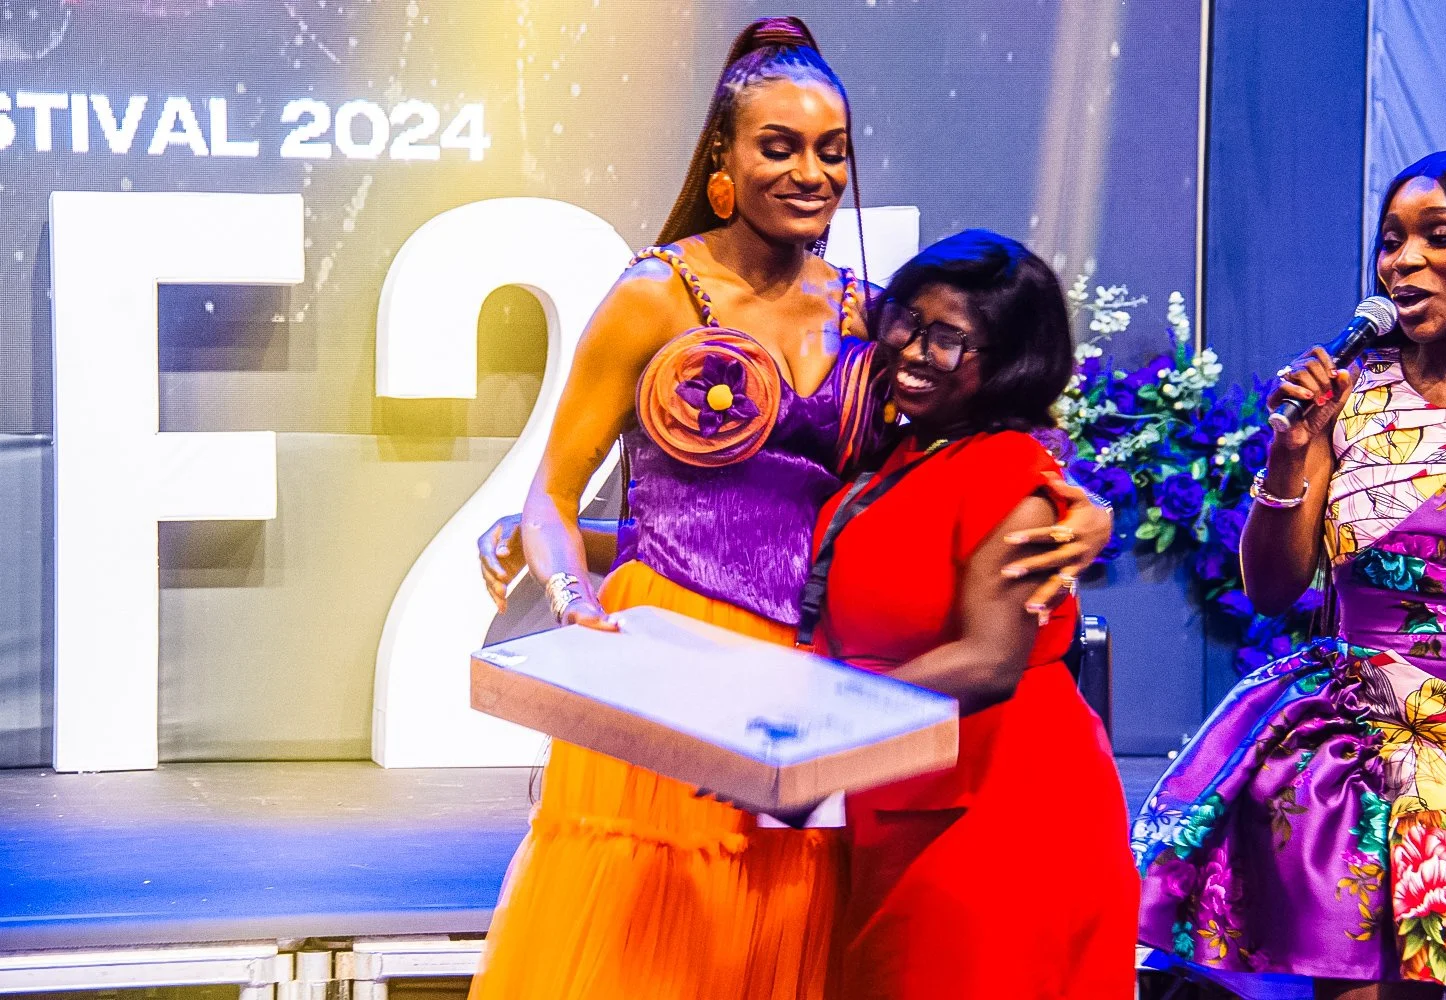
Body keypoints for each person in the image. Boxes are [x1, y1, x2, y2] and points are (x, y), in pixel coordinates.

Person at [468, 19, 1114, 1000]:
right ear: (723, 161)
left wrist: (1080, 504)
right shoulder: (657, 294)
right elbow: (552, 493)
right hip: (668, 655)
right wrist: (571, 595)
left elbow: (971, 446)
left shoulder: (869, 312)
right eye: (779, 147)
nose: (810, 173)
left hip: (806, 678)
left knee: (775, 937)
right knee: (648, 941)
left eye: (831, 150)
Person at [1132, 147, 1446, 1000]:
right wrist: (1291, 452)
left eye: (1438, 236)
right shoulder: (1350, 398)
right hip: (1367, 749)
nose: (1404, 261)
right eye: (1391, 240)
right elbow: (1272, 589)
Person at [803, 229, 1137, 999]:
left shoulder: (1008, 469)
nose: (913, 351)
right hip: (906, 793)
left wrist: (815, 728)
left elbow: (990, 660)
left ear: (1010, 360)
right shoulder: (907, 450)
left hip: (999, 812)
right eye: (907, 321)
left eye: (948, 339)